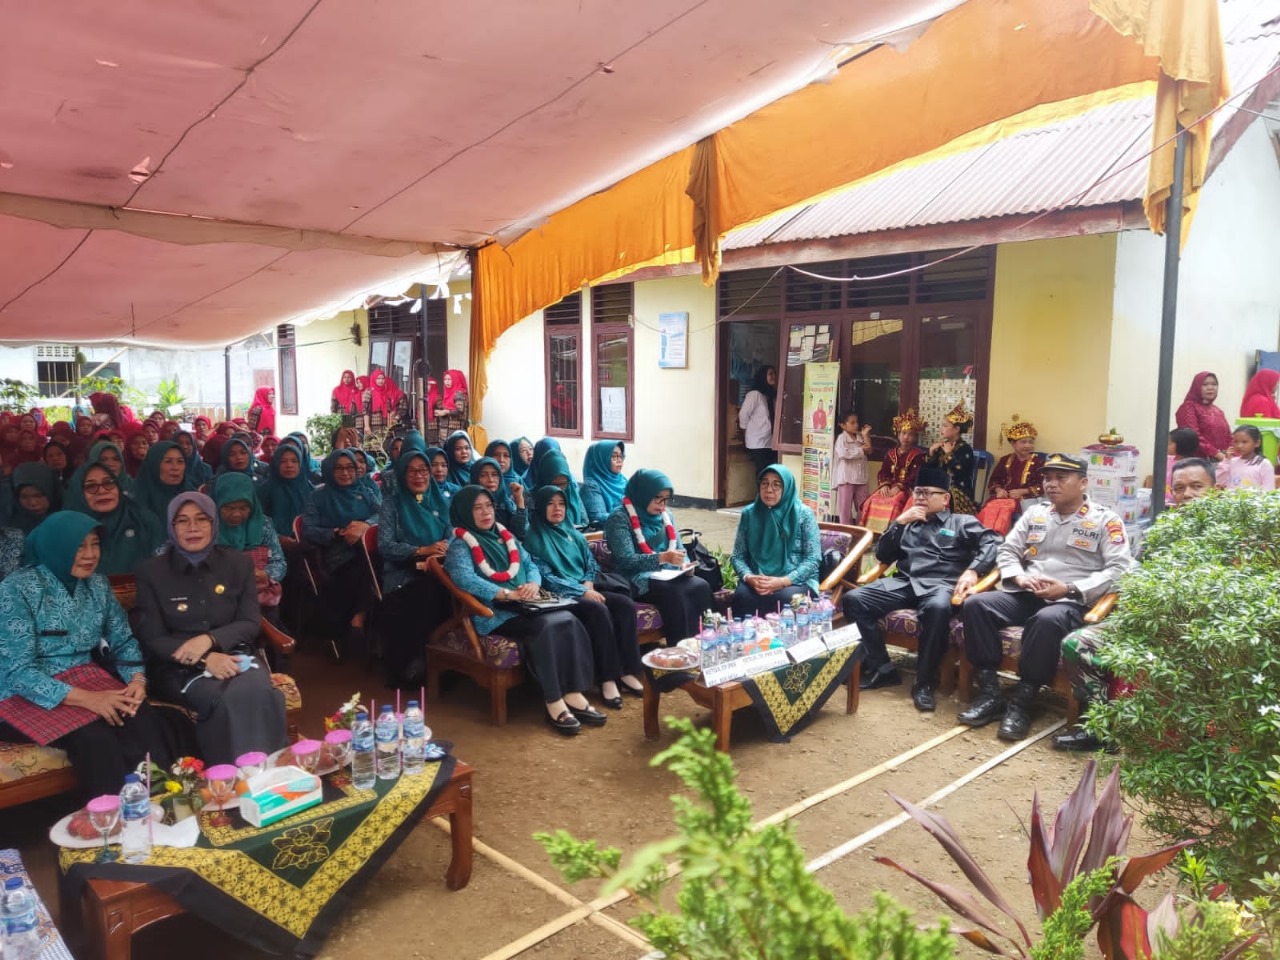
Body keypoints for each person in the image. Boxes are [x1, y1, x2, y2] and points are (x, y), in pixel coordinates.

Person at [0, 513, 181, 796]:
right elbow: (19, 671)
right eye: (78, 546)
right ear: (55, 546)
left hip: (85, 678)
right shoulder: (16, 589)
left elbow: (123, 640)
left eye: (94, 544)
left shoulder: (97, 585)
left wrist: (136, 680)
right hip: (23, 694)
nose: (89, 554)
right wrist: (90, 699)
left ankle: (165, 803)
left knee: (141, 716)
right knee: (95, 737)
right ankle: (115, 815)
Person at [959, 454, 1133, 740]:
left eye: (1061, 478)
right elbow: (1007, 550)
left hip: (1071, 600)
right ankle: (990, 693)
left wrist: (1069, 588)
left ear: (1083, 483)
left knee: (1046, 620)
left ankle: (1022, 702)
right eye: (1048, 478)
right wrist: (1019, 577)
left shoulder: (1106, 520)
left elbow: (1119, 569)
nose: (1051, 484)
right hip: (1029, 593)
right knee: (976, 604)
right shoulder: (1035, 513)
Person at [1053, 457, 1215, 751]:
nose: (1187, 494)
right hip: (1146, 621)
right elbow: (1131, 575)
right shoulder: (1159, 533)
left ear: (1216, 489)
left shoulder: (1230, 539)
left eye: (1197, 486)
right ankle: (1100, 726)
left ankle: (1188, 738)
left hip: (1199, 630)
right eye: (1179, 488)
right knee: (1077, 644)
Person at [134, 493, 287, 765]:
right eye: (182, 521)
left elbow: (250, 622)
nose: (192, 528)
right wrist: (205, 659)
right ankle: (227, 777)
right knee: (226, 697)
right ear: (171, 527)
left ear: (213, 523)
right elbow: (152, 638)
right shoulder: (151, 572)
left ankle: (268, 774)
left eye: (201, 519)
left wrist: (210, 640)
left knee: (261, 690)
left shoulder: (238, 564)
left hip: (236, 657)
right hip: (178, 669)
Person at [443, 485, 603, 735]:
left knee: (569, 619)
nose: (486, 512)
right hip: (495, 612)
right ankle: (553, 700)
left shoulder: (505, 535)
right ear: (464, 511)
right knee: (544, 626)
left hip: (526, 603)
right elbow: (465, 579)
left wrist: (532, 585)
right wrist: (506, 594)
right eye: (477, 508)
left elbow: (530, 565)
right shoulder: (460, 545)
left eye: (489, 506)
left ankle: (573, 692)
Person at [843, 467, 1002, 711]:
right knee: (854, 599)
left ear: (945, 499)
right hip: (905, 582)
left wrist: (974, 570)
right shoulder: (908, 524)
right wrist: (898, 523)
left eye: (927, 493)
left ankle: (924, 682)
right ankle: (882, 669)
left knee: (938, 609)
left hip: (941, 585)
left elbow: (993, 541)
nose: (920, 498)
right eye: (917, 492)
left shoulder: (961, 522)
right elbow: (883, 555)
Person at [524, 485, 644, 708]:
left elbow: (590, 562)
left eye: (561, 504)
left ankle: (627, 671)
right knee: (598, 610)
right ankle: (607, 678)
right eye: (550, 504)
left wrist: (588, 582)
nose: (557, 509)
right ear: (540, 507)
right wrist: (582, 591)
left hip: (585, 586)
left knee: (624, 605)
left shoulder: (572, 532)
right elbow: (547, 578)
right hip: (561, 594)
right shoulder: (534, 539)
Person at [604, 469, 711, 644]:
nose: (662, 505)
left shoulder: (667, 515)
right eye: (657, 498)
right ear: (643, 494)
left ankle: (702, 644)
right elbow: (625, 559)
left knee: (701, 586)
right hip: (635, 577)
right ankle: (681, 648)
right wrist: (662, 558)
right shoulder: (620, 518)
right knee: (675, 593)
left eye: (666, 499)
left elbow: (679, 548)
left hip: (668, 574)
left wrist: (684, 564)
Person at [375, 449, 451, 687]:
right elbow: (385, 546)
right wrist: (421, 550)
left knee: (451, 589)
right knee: (430, 593)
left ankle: (448, 665)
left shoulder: (440, 500)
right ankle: (415, 666)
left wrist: (441, 550)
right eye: (411, 471)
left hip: (439, 568)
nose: (419, 476)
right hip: (402, 576)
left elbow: (452, 534)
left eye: (423, 470)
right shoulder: (392, 505)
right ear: (401, 474)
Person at [300, 449, 380, 656]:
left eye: (350, 467)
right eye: (339, 468)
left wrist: (365, 525)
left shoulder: (365, 492)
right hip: (337, 556)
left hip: (366, 551)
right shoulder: (317, 497)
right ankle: (359, 619)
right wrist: (334, 533)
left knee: (377, 563)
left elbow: (382, 513)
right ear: (329, 470)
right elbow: (308, 529)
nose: (345, 473)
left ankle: (361, 619)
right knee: (368, 566)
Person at [730, 464, 821, 618]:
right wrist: (749, 577)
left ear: (787, 488)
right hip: (758, 579)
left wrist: (783, 581)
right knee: (742, 597)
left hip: (796, 581)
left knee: (786, 599)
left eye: (776, 485)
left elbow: (813, 558)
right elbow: (738, 556)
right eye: (764, 483)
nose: (769, 490)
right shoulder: (750, 514)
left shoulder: (804, 514)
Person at [211, 472, 287, 627]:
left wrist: (266, 575)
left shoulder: (263, 525)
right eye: (229, 508)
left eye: (244, 508)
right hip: (218, 594)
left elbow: (279, 561)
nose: (236, 514)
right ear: (217, 504)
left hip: (257, 594)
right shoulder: (207, 526)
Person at [65, 461, 165, 576]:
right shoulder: (67, 531)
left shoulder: (143, 520)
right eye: (91, 486)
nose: (102, 491)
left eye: (108, 483)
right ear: (78, 493)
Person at [977, 416, 1045, 535]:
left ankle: (997, 537)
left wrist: (1023, 491)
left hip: (1024, 499)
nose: (1027, 445)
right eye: (1023, 442)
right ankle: (983, 536)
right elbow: (994, 480)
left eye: (1030, 442)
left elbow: (1043, 485)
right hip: (1003, 496)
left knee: (1004, 509)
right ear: (1013, 444)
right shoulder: (1005, 460)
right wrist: (998, 490)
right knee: (990, 507)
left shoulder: (1039, 461)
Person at [860, 408, 927, 529]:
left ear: (915, 437)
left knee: (896, 501)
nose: (906, 437)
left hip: (907, 489)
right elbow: (883, 472)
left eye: (910, 434)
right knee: (872, 499)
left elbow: (915, 476)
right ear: (898, 434)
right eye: (903, 433)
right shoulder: (891, 453)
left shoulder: (919, 455)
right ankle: (871, 532)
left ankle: (891, 531)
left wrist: (899, 486)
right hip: (889, 487)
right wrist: (884, 485)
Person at [925, 402, 977, 514]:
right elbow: (929, 471)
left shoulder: (965, 449)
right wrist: (931, 453)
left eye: (945, 426)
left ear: (956, 429)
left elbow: (961, 473)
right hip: (939, 487)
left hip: (958, 491)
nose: (941, 429)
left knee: (939, 499)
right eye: (942, 425)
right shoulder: (941, 446)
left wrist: (949, 454)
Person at [259, 441, 315, 537]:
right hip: (273, 543)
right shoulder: (264, 490)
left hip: (308, 542)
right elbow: (258, 522)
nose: (289, 465)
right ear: (276, 464)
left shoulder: (309, 489)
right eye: (283, 461)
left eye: (294, 461)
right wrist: (279, 538)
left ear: (300, 464)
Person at [131, 440, 196, 521]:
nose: (175, 467)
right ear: (154, 465)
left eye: (180, 461)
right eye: (168, 461)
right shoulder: (136, 504)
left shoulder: (194, 498)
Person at [1175, 371, 1232, 461]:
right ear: (1196, 387)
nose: (1210, 388)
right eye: (1205, 384)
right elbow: (1193, 436)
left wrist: (1231, 453)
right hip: (1196, 462)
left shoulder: (1218, 410)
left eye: (1214, 384)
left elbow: (1229, 436)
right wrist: (1216, 454)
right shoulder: (1188, 407)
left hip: (1222, 461)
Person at [470, 457, 527, 537]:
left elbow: (519, 533)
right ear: (475, 478)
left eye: (494, 474)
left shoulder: (506, 502)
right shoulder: (469, 504)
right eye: (483, 475)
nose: (491, 480)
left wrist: (519, 500)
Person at [833, 411, 871, 525]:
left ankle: (859, 530)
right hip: (846, 478)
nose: (856, 425)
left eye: (857, 422)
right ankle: (845, 532)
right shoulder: (841, 438)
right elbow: (844, 454)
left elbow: (869, 450)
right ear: (843, 425)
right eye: (852, 423)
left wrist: (865, 435)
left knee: (864, 506)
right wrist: (861, 450)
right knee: (845, 510)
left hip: (861, 478)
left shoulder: (860, 436)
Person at [738, 365, 777, 477]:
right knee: (763, 472)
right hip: (758, 441)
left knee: (771, 472)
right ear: (763, 376)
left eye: (774, 373)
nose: (773, 376)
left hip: (770, 440)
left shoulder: (770, 395)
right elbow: (743, 414)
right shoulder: (755, 395)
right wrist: (745, 430)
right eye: (770, 374)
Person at [580, 441, 627, 528]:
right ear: (600, 459)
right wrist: (629, 516)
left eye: (621, 456)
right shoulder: (591, 486)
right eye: (614, 456)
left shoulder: (623, 480)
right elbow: (598, 518)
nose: (620, 460)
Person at [537, 450, 588, 529]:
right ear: (545, 480)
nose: (559, 489)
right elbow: (527, 529)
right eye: (554, 484)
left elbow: (585, 522)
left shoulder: (573, 494)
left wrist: (572, 529)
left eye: (563, 483)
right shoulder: (532, 497)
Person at [1216, 424, 1275, 490]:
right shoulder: (1230, 462)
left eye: (1244, 442)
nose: (1239, 446)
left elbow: (1269, 489)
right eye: (1235, 441)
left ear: (1257, 443)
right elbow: (1220, 482)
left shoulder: (1264, 464)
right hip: (1231, 496)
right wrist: (1226, 461)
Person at [10, 462, 60, 533]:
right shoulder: (9, 528)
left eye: (39, 496)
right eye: (24, 497)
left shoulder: (67, 523)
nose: (32, 503)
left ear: (52, 492)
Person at [364, 369, 410, 443]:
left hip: (386, 425)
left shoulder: (386, 393)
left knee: (386, 444)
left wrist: (394, 416)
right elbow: (365, 411)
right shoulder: (368, 392)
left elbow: (395, 408)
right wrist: (366, 426)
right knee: (373, 445)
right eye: (378, 378)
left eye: (382, 379)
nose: (381, 381)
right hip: (372, 425)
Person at [1165, 427, 1200, 493]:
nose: (1165, 445)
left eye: (1169, 443)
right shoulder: (1167, 459)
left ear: (1181, 445)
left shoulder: (1189, 466)